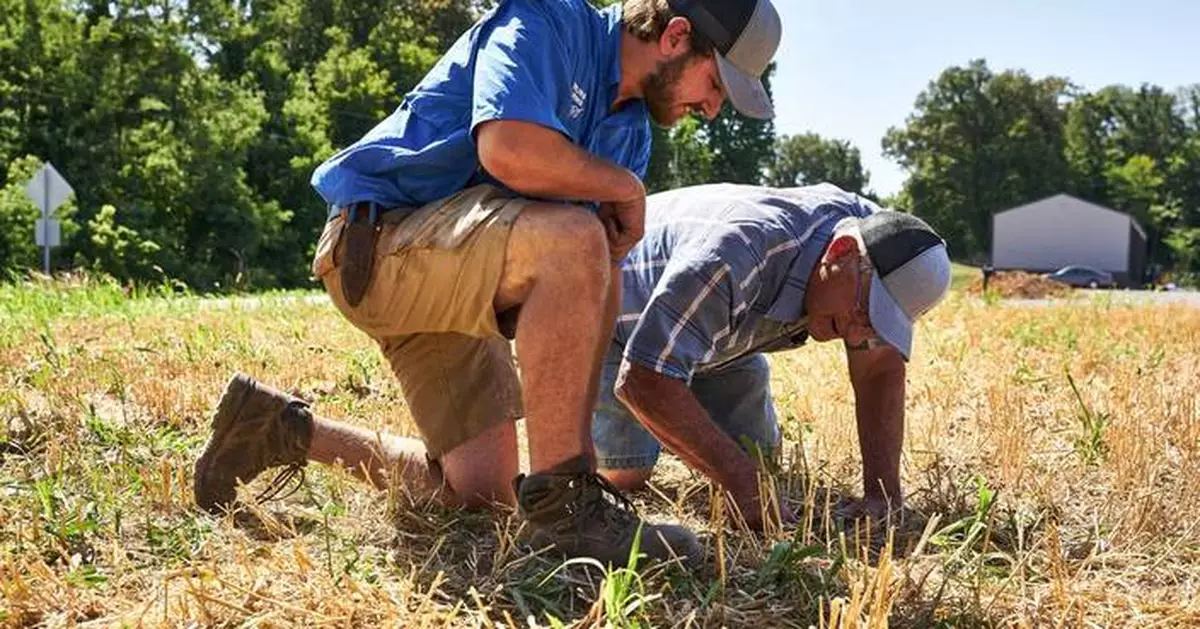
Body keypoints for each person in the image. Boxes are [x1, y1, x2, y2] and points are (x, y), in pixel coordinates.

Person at [192, 0, 782, 567]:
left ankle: (278, 427)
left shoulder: (631, 135)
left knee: (481, 495)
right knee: (576, 238)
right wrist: (624, 191)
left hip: (460, 278)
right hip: (377, 246)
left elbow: (594, 288)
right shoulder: (547, 20)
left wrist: (592, 451)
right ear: (676, 36)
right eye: (716, 85)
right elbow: (507, 148)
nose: (711, 109)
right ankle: (566, 505)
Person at [591, 182, 952, 529]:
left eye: (880, 323)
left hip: (720, 332)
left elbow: (878, 369)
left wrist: (882, 493)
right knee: (625, 475)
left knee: (760, 460)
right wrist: (740, 482)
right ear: (839, 252)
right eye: (864, 311)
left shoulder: (883, 239)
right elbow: (643, 379)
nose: (859, 334)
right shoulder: (734, 253)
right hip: (619, 323)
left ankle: (681, 408)